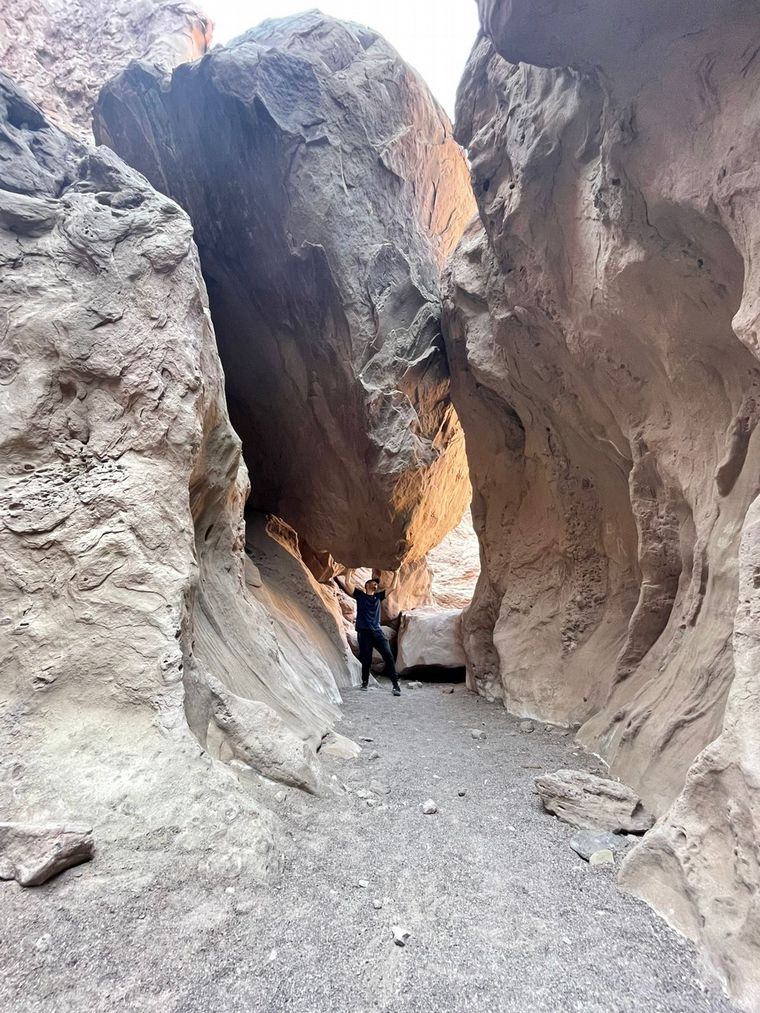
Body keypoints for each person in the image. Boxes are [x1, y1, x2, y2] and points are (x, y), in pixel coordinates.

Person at [335, 568, 401, 696]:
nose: (375, 584)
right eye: (372, 582)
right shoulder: (360, 595)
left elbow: (392, 587)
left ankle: (395, 685)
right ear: (366, 585)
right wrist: (350, 570)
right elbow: (348, 582)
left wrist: (396, 573)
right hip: (364, 633)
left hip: (377, 632)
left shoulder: (378, 596)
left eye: (376, 583)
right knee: (366, 659)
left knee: (388, 656)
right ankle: (364, 683)